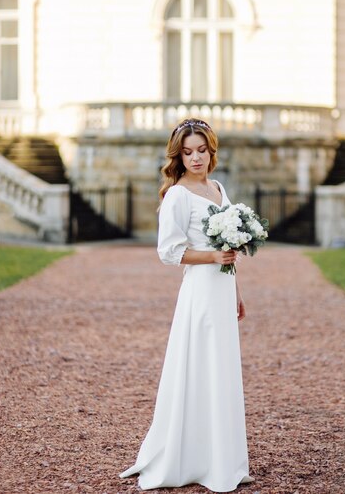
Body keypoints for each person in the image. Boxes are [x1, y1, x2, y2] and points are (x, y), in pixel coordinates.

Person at [120, 118, 251, 492]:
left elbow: (229, 247)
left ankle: (222, 458)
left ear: (211, 150)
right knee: (199, 365)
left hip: (222, 289)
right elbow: (169, 252)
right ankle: (189, 457)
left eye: (201, 150)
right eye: (188, 152)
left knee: (221, 368)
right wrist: (213, 259)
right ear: (178, 156)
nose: (196, 158)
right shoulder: (177, 195)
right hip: (199, 292)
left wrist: (236, 290)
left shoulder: (218, 188)